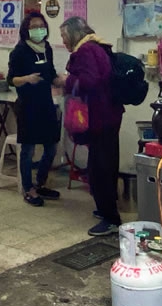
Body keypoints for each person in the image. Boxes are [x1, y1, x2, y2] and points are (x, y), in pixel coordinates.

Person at [55, 17, 124, 236]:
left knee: (100, 168)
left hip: (100, 117)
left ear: (74, 35)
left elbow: (90, 81)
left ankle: (111, 218)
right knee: (105, 164)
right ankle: (106, 210)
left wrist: (65, 81)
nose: (64, 41)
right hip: (109, 115)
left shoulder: (86, 51)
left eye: (65, 37)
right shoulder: (97, 46)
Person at [7, 12, 62, 207]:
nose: (39, 29)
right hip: (28, 106)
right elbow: (11, 79)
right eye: (34, 26)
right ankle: (27, 188)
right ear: (26, 30)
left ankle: (40, 183)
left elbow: (51, 74)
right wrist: (27, 79)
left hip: (46, 104)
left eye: (41, 25)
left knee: (51, 146)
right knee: (28, 150)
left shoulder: (47, 48)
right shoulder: (20, 51)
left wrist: (63, 81)